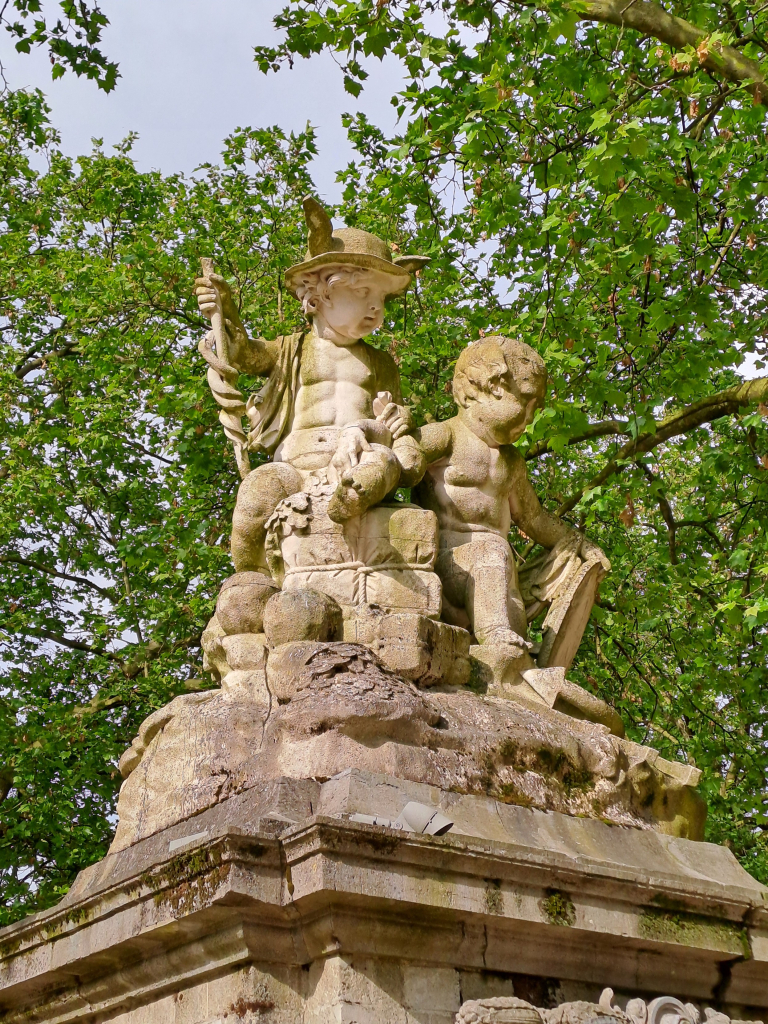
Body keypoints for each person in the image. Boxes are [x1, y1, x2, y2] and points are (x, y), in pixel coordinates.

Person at [195, 197, 430, 574]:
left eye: (382, 299)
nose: (377, 309)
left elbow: (390, 421)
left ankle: (343, 513)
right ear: (319, 293)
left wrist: (399, 421)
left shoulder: (381, 363)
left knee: (382, 463)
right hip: (295, 468)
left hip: (355, 466)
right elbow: (244, 355)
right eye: (364, 293)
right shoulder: (293, 348)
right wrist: (226, 311)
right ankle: (250, 580)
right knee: (255, 494)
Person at [413, 335, 609, 662]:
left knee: (510, 609)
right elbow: (399, 463)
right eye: (526, 402)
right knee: (490, 553)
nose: (530, 417)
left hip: (500, 580)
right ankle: (494, 638)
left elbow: (534, 519)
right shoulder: (443, 436)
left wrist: (583, 545)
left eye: (535, 407)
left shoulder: (512, 462)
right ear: (485, 387)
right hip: (448, 561)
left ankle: (508, 658)